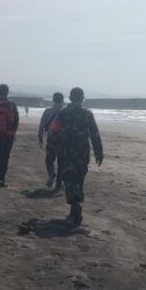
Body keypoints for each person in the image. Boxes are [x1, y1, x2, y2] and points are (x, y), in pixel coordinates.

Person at [54, 87, 103, 226]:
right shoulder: (87, 114)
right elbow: (94, 134)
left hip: (66, 152)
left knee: (69, 179)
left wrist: (53, 148)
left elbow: (55, 131)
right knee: (79, 178)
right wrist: (99, 152)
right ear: (82, 98)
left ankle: (74, 204)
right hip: (82, 152)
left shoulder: (62, 113)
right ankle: (75, 205)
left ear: (70, 98)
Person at [37, 92, 65, 189]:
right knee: (61, 161)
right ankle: (59, 183)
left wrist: (40, 136)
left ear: (53, 100)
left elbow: (42, 125)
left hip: (51, 138)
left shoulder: (47, 111)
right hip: (63, 140)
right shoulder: (65, 111)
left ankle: (52, 173)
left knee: (49, 159)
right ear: (63, 100)